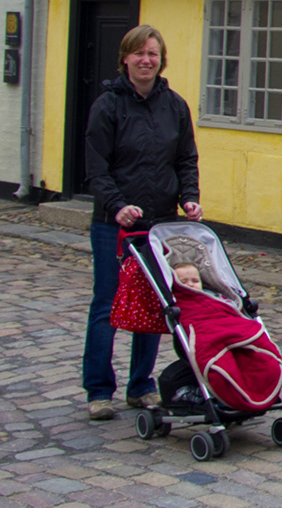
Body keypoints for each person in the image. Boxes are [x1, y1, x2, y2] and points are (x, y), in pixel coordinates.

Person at [83, 24, 203, 421]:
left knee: (154, 304)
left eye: (153, 54)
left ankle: (141, 386)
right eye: (139, 53)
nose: (146, 60)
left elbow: (185, 159)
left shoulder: (174, 106)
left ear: (161, 60)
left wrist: (189, 197)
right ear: (125, 58)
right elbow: (97, 167)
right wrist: (116, 205)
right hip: (114, 224)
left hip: (159, 223)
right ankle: (99, 390)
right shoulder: (108, 106)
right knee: (108, 304)